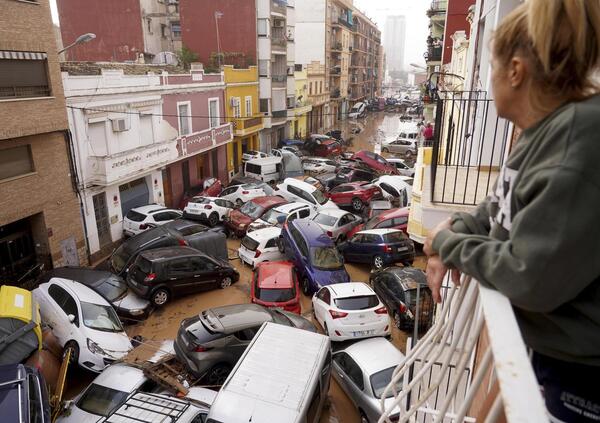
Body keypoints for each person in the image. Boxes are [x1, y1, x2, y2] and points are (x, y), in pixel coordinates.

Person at [423, 1, 600, 421]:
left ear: (516, 71)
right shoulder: (548, 131)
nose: (490, 78)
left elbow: (529, 276)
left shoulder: (578, 139)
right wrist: (462, 224)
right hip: (552, 354)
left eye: (492, 66)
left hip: (580, 379)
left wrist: (447, 241)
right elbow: (500, 204)